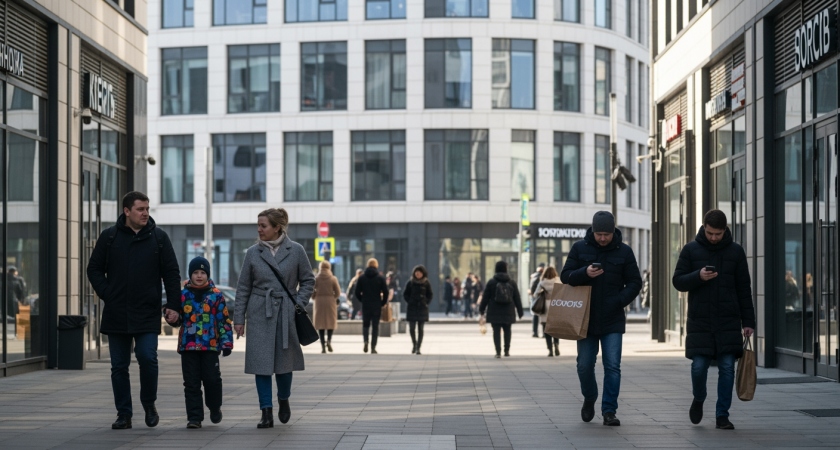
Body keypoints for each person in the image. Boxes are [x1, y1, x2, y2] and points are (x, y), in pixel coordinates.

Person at [86, 191, 182, 430]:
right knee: (119, 365)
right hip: (117, 312)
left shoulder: (159, 238)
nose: (145, 213)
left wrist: (173, 306)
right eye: (140, 209)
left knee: (147, 357)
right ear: (126, 211)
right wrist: (108, 293)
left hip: (147, 311)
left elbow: (171, 274)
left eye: (147, 208)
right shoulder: (109, 237)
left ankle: (149, 405)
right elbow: (94, 269)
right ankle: (124, 414)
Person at [672, 209, 756, 430]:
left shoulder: (736, 252)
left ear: (725, 230)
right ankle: (699, 399)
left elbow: (743, 289)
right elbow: (678, 281)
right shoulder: (691, 249)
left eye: (718, 234)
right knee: (698, 367)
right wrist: (698, 276)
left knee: (727, 368)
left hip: (728, 320)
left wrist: (748, 321)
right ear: (704, 227)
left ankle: (722, 415)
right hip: (700, 321)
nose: (713, 238)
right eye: (710, 233)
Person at [233, 208, 315, 429]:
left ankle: (284, 398)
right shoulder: (252, 253)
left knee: (284, 363)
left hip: (286, 311)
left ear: (277, 227)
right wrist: (239, 319)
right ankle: (265, 411)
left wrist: (299, 302)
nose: (259, 230)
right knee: (261, 364)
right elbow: (243, 288)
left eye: (263, 226)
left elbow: (308, 280)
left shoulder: (296, 250)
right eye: (258, 225)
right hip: (260, 311)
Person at [560, 211, 642, 427]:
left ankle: (609, 411)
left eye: (606, 234)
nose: (603, 238)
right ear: (593, 231)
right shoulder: (579, 248)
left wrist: (619, 301)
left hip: (612, 318)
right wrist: (584, 272)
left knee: (612, 366)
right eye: (599, 234)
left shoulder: (624, 251)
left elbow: (635, 282)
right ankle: (590, 397)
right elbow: (565, 276)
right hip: (584, 318)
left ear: (613, 231)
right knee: (584, 366)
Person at [165, 257, 233, 429]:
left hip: (210, 346)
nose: (199, 276)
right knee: (191, 383)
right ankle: (194, 417)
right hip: (188, 346)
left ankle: (214, 406)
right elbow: (178, 318)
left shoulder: (216, 295)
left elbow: (224, 321)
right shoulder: (182, 295)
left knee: (212, 380)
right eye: (196, 272)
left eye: (203, 272)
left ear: (208, 274)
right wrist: (171, 318)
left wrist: (226, 343)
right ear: (190, 274)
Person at [479, 261, 523, 358]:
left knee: (496, 331)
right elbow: (517, 297)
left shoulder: (492, 282)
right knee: (507, 330)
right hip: (509, 310)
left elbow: (485, 297)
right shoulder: (512, 282)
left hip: (494, 310)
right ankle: (507, 350)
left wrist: (481, 310)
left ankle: (498, 352)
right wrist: (520, 311)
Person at [355, 258, 389, 354]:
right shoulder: (380, 278)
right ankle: (373, 347)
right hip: (376, 305)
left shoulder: (362, 278)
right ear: (376, 265)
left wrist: (362, 300)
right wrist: (382, 302)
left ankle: (366, 341)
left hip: (366, 304)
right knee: (375, 326)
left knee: (365, 325)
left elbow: (357, 292)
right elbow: (385, 292)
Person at [312, 260, 341, 354]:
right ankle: (329, 341)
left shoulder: (316, 278)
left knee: (320, 325)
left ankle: (323, 346)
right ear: (329, 267)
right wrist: (334, 298)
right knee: (330, 323)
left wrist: (314, 297)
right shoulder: (333, 278)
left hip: (319, 302)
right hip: (330, 302)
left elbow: (311, 291)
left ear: (320, 267)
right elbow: (338, 292)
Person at [403, 265, 433, 355]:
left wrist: (426, 302)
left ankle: (418, 347)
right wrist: (410, 301)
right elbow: (405, 294)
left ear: (423, 274)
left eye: (419, 273)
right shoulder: (410, 282)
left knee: (420, 328)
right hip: (412, 308)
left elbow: (430, 294)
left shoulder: (426, 283)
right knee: (412, 328)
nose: (418, 275)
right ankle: (414, 344)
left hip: (422, 308)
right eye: (416, 273)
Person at [533, 266, 560, 357]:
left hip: (545, 306)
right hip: (556, 305)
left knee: (546, 329)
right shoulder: (558, 281)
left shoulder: (542, 283)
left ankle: (550, 350)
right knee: (556, 328)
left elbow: (536, 294)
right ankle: (556, 345)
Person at [529, 263, 545, 338]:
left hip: (534, 298)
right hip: (540, 298)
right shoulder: (540, 277)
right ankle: (544, 333)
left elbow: (532, 288)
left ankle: (534, 332)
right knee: (542, 315)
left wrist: (532, 294)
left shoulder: (533, 276)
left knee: (535, 315)